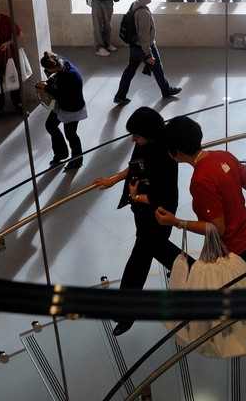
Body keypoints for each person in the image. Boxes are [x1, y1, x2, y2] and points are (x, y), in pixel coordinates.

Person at [155, 115, 246, 354]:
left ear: (175, 152)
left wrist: (176, 222)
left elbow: (216, 228)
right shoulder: (223, 156)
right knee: (242, 289)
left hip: (230, 251)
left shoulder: (201, 179)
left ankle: (244, 339)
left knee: (228, 294)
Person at [94, 107, 185, 336]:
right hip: (143, 210)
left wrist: (135, 196)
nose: (133, 139)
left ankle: (126, 311)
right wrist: (114, 180)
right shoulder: (145, 142)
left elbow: (163, 195)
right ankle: (199, 275)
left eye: (136, 134)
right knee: (156, 252)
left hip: (158, 211)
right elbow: (136, 165)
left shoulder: (166, 152)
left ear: (149, 132)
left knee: (140, 259)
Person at [113, 0, 181, 104]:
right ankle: (166, 91)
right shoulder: (143, 13)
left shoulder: (135, 5)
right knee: (158, 69)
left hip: (134, 46)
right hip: (144, 47)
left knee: (129, 70)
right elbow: (143, 35)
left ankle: (120, 95)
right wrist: (148, 54)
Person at [36, 51, 87, 170]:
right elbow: (57, 80)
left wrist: (46, 87)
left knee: (71, 134)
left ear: (52, 67)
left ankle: (77, 160)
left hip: (72, 107)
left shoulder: (71, 76)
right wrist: (48, 79)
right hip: (63, 105)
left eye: (47, 69)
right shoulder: (61, 61)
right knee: (50, 125)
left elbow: (62, 95)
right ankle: (61, 153)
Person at [0, 0, 25, 120]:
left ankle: (19, 104)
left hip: (9, 58)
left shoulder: (6, 20)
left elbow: (19, 34)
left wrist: (8, 43)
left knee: (13, 80)